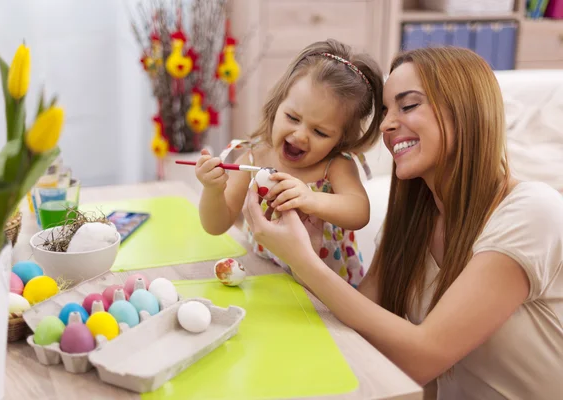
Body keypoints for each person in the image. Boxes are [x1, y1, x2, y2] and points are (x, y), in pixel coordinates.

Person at [242, 46, 563, 399]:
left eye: (408, 106)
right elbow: (361, 321)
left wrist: (303, 262)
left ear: (467, 112)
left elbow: (423, 358)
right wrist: (312, 252)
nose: (386, 125)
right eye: (385, 111)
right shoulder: (412, 223)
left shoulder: (533, 212)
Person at [195, 39, 384, 287]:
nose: (300, 135)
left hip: (326, 292)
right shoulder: (256, 157)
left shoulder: (334, 166)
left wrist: (311, 199)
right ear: (277, 105)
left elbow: (359, 212)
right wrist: (212, 190)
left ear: (341, 139)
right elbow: (215, 225)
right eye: (292, 117)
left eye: (320, 132)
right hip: (267, 279)